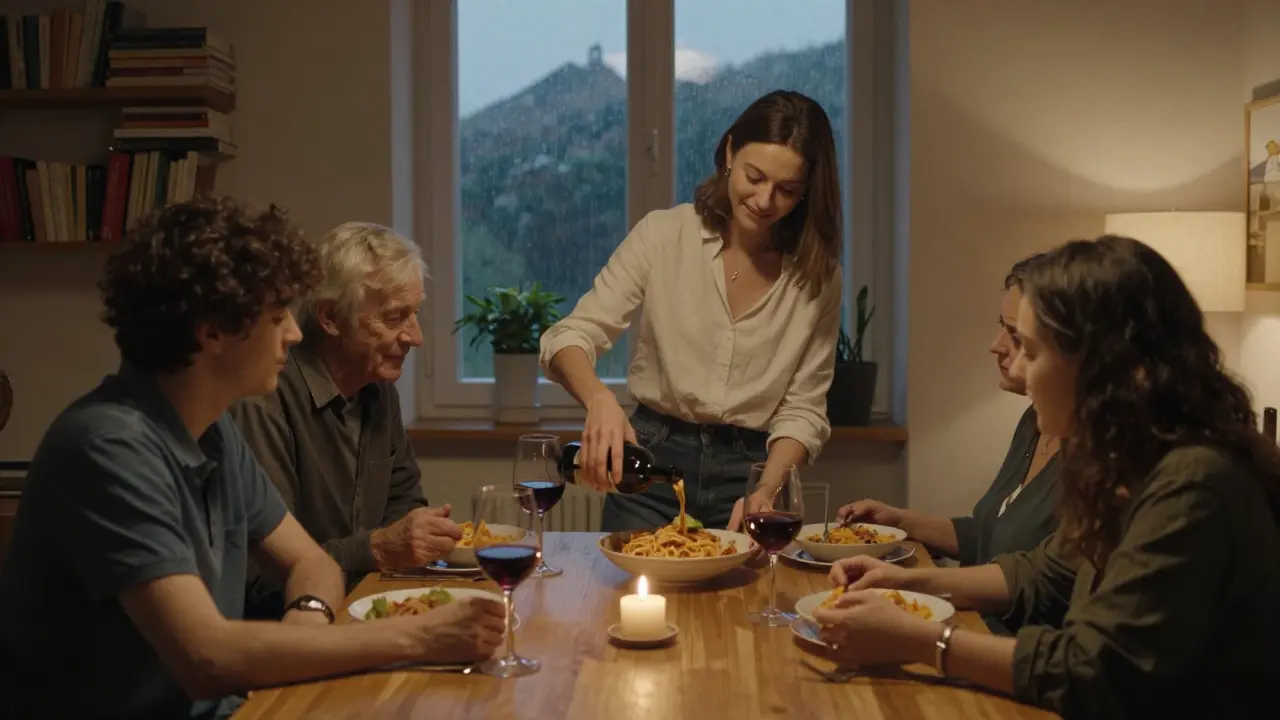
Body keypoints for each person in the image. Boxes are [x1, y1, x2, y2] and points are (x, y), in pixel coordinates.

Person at [0, 197, 504, 720]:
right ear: (212, 331)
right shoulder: (108, 446)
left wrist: (306, 626)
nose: (293, 331)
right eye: (277, 314)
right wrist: (417, 635)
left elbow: (310, 562)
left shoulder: (212, 431)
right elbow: (205, 658)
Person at [812, 235, 1280, 717]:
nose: (1023, 373)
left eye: (1032, 353)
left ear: (1104, 367)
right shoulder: (1123, 459)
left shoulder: (1192, 483)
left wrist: (923, 640)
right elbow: (1047, 573)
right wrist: (905, 584)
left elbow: (1094, 671)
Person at [540, 90, 843, 532]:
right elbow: (568, 336)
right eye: (754, 177)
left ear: (807, 193)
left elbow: (805, 410)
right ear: (729, 152)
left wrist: (767, 489)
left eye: (787, 190)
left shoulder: (819, 279)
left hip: (750, 475)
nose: (764, 199)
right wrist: (599, 400)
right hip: (649, 467)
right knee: (631, 599)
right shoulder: (664, 235)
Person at [230, 221, 458, 617]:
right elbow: (260, 577)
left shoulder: (376, 384)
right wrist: (376, 548)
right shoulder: (264, 402)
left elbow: (404, 501)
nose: (415, 337)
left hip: (363, 609)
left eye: (414, 313)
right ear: (331, 317)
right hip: (288, 629)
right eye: (394, 317)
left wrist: (410, 537)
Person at [833, 254, 1061, 635]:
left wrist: (915, 604)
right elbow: (992, 536)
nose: (997, 346)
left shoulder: (1102, 461)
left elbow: (1038, 583)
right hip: (976, 626)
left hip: (1005, 647)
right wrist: (901, 521)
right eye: (1001, 328)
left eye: (1017, 337)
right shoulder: (1035, 422)